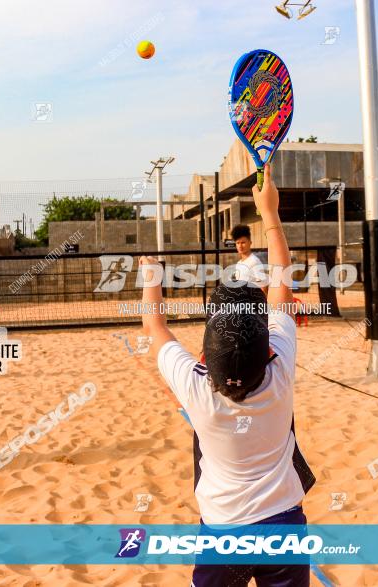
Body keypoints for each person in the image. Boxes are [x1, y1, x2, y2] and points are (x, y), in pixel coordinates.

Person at [142, 164, 315, 587]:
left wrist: (152, 281)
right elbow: (281, 287)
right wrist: (269, 215)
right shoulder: (280, 370)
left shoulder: (198, 387)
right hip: (284, 525)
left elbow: (156, 329)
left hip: (223, 532)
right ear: (267, 347)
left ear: (204, 355)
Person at [231, 224, 265, 288]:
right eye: (238, 243)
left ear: (250, 242)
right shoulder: (239, 263)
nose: (240, 246)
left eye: (243, 242)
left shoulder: (254, 261)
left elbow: (263, 286)